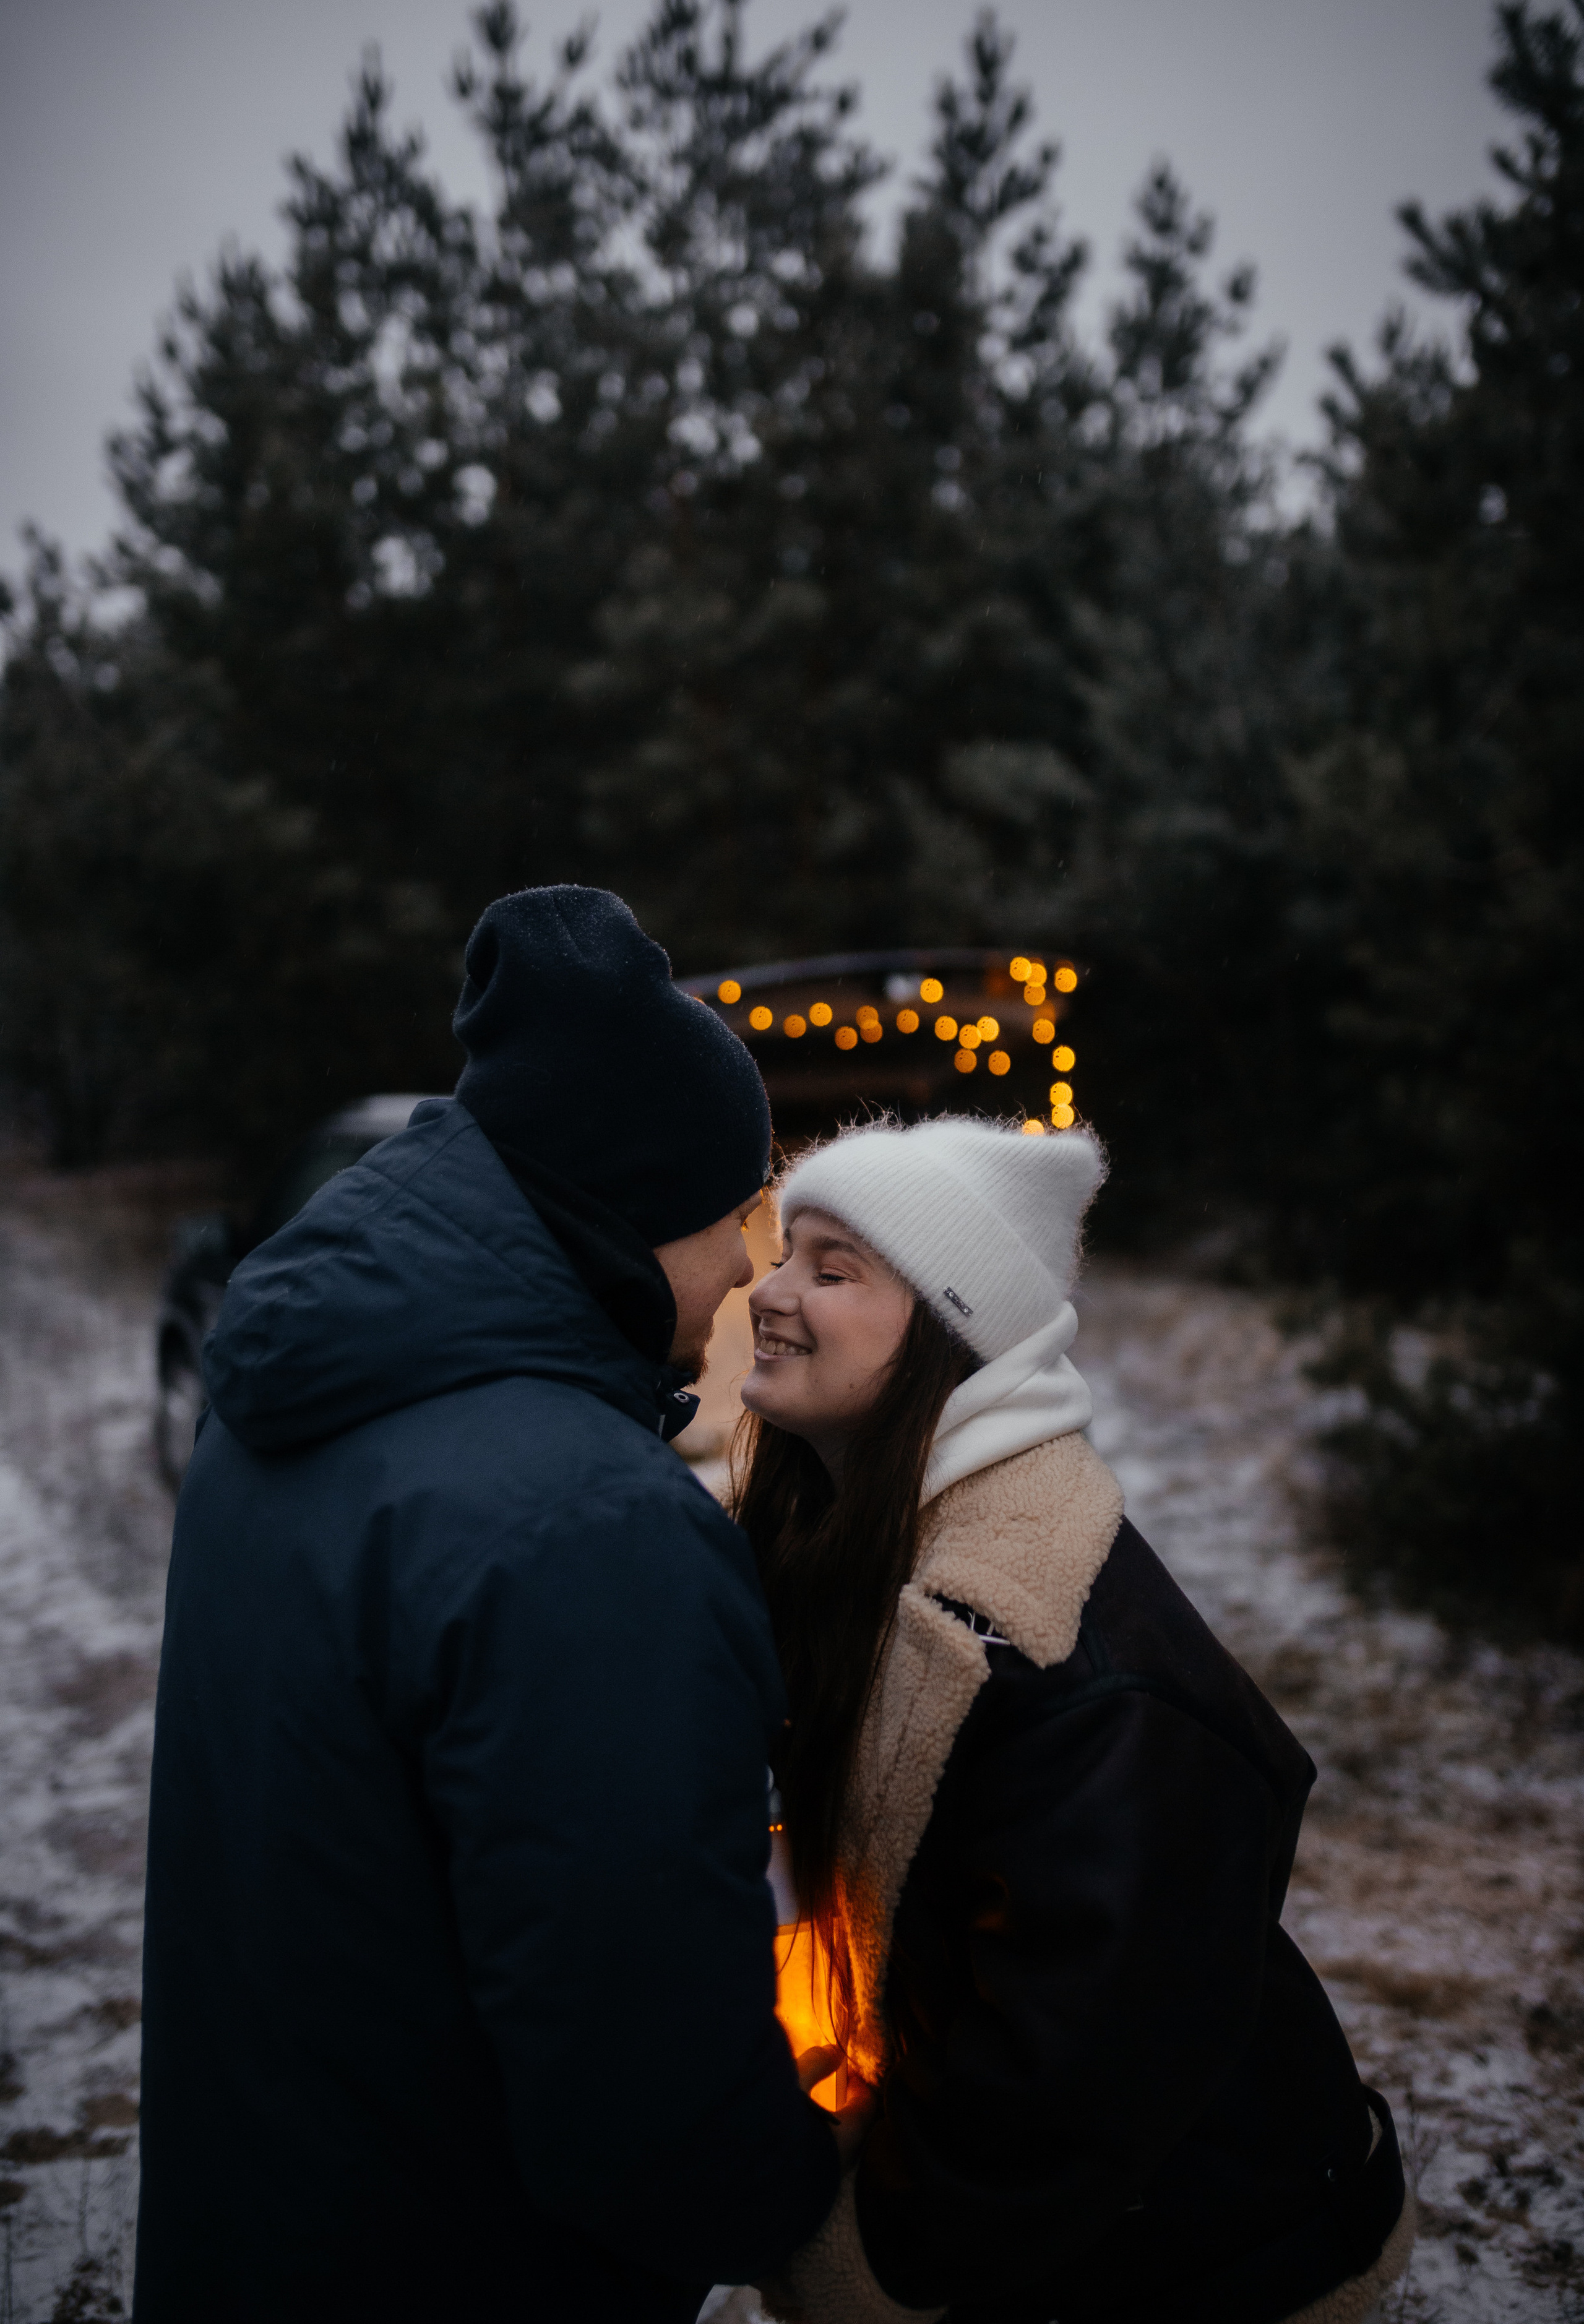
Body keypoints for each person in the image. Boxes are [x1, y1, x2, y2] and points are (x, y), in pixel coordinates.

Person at [134, 887, 853, 2323]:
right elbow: (645, 2098)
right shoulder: (588, 1527)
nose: (740, 1268)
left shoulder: (289, 1404)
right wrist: (811, 2199)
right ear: (633, 1200)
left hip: (260, 2235)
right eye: (731, 1211)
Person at [734, 1114, 1416, 2324]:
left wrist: (869, 2261)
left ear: (954, 1336)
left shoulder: (1079, 1675)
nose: (769, 1290)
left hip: (1191, 2261)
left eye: (830, 1270)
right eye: (785, 1251)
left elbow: (1066, 2084)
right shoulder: (847, 1548)